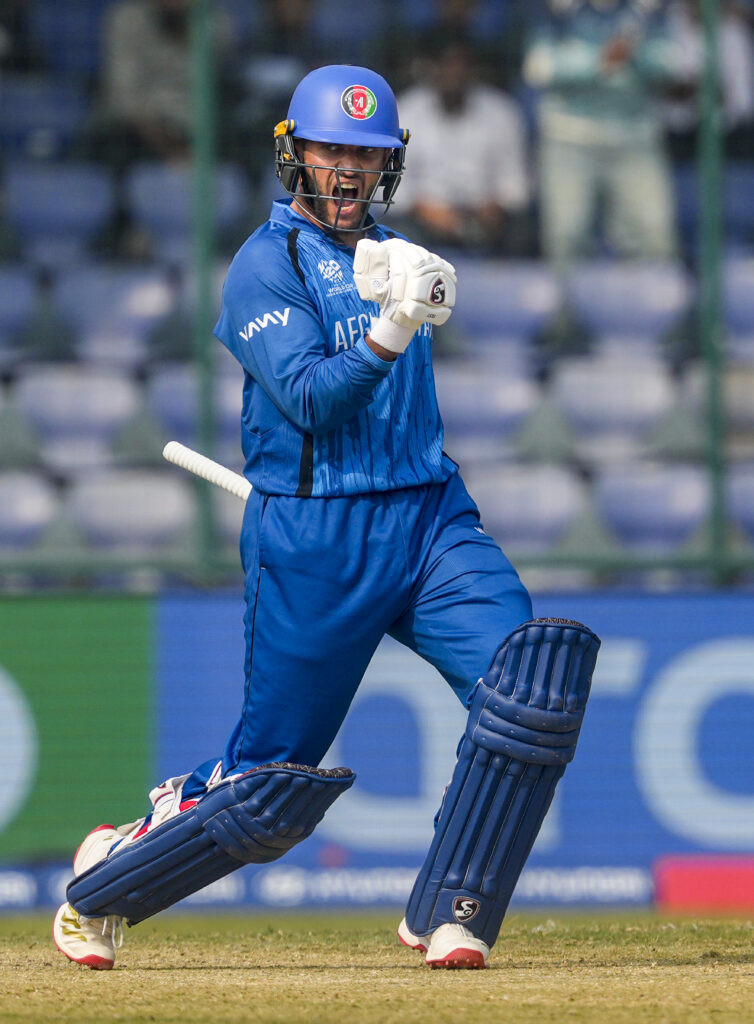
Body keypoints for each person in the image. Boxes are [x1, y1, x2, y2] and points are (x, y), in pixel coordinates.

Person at [52, 65, 600, 972]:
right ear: (295, 155)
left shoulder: (400, 256)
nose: (347, 169)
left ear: (389, 165)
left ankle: (451, 908)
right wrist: (390, 329)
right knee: (268, 791)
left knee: (530, 694)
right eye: (330, 149)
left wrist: (400, 308)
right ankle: (104, 884)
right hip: (316, 542)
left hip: (430, 520)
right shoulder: (264, 265)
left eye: (366, 153)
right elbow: (310, 400)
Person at [523, 0, 682, 266]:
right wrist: (599, 61)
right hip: (569, 136)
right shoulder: (560, 10)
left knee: (654, 235)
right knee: (566, 236)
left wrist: (634, 55)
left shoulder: (647, 9)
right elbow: (537, 68)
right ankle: (565, 308)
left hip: (634, 136)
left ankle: (650, 306)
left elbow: (671, 63)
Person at [391, 39, 531, 256]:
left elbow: (516, 186)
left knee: (523, 232)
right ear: (430, 69)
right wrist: (430, 212)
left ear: (474, 70)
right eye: (445, 65)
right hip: (424, 218)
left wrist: (493, 208)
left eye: (460, 65)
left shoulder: (502, 111)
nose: (453, 73)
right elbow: (394, 189)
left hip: (486, 215)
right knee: (395, 233)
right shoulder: (406, 110)